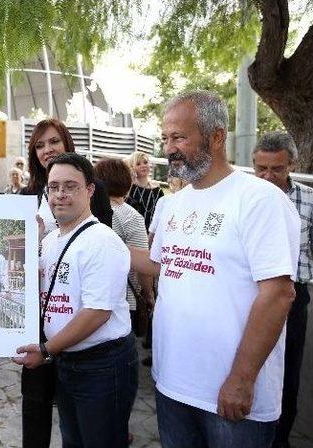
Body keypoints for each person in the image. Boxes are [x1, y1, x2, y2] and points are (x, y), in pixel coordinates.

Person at [130, 90, 299, 448]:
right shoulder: (173, 204)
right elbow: (159, 264)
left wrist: (241, 378)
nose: (168, 148)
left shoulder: (260, 200)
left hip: (232, 399)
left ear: (217, 137)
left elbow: (279, 293)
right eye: (165, 138)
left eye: (179, 137)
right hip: (172, 385)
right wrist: (98, 238)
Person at [15, 152, 137, 448]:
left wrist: (45, 350)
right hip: (67, 362)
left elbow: (97, 313)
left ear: (90, 190)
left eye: (70, 186)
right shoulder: (49, 240)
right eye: (54, 187)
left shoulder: (102, 241)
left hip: (101, 367)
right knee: (73, 440)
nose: (60, 195)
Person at [252, 131, 312, 448]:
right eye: (261, 168)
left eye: (277, 169)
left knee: (287, 374)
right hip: (250, 294)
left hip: (293, 295)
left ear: (291, 164)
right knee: (249, 364)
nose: (268, 176)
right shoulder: (244, 197)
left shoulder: (309, 200)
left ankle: (280, 440)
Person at [94, 158, 154, 335]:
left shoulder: (88, 212)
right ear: (127, 183)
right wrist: (149, 295)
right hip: (124, 299)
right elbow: (143, 266)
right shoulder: (130, 216)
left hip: (92, 298)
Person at [127, 151, 164, 230]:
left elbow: (161, 215)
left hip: (151, 232)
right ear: (132, 167)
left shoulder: (158, 191)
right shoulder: (129, 188)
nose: (143, 166)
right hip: (132, 231)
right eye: (138, 164)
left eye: (145, 162)